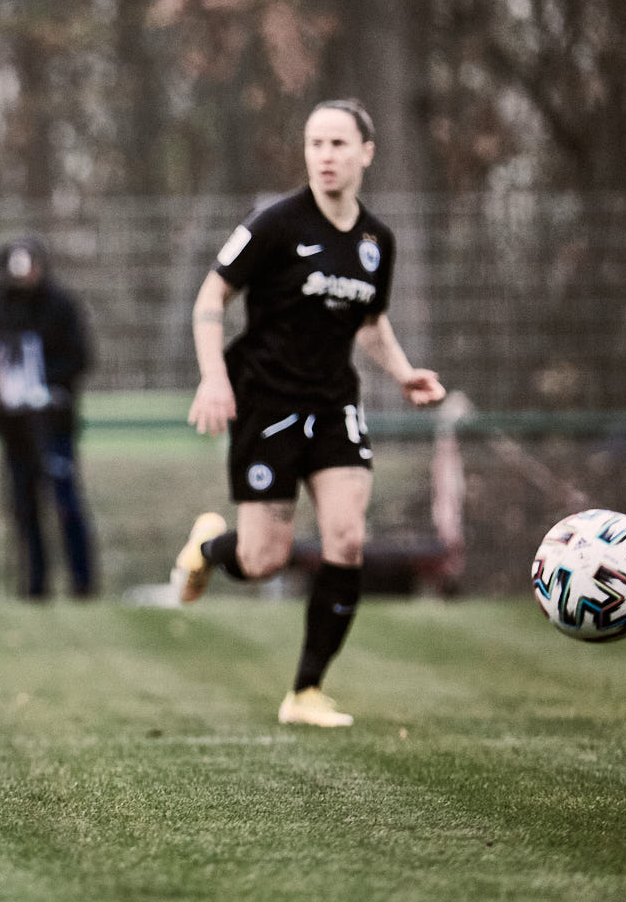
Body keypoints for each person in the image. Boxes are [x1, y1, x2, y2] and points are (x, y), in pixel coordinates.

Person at [172, 99, 445, 727]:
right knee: (263, 558)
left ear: (365, 153)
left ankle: (305, 692)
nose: (325, 156)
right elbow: (211, 295)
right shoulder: (274, 224)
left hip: (333, 404)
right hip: (265, 401)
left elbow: (369, 323)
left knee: (347, 536)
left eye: (338, 145)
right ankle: (211, 549)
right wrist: (214, 378)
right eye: (315, 144)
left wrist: (403, 374)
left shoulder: (378, 242)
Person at [0, 236, 95, 598]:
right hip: (13, 427)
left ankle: (82, 583)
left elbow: (80, 357)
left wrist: (43, 381)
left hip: (54, 422)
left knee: (66, 502)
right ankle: (35, 585)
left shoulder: (60, 307)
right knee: (24, 507)